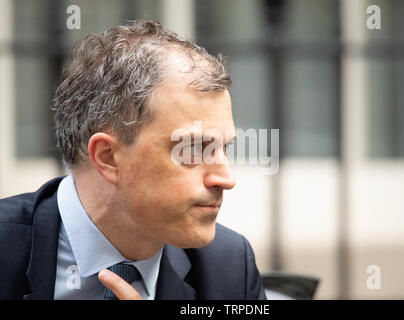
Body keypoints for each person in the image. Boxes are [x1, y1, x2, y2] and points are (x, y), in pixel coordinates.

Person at [0, 20, 266, 300]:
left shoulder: (229, 267)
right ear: (108, 157)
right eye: (194, 149)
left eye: (224, 148)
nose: (226, 178)